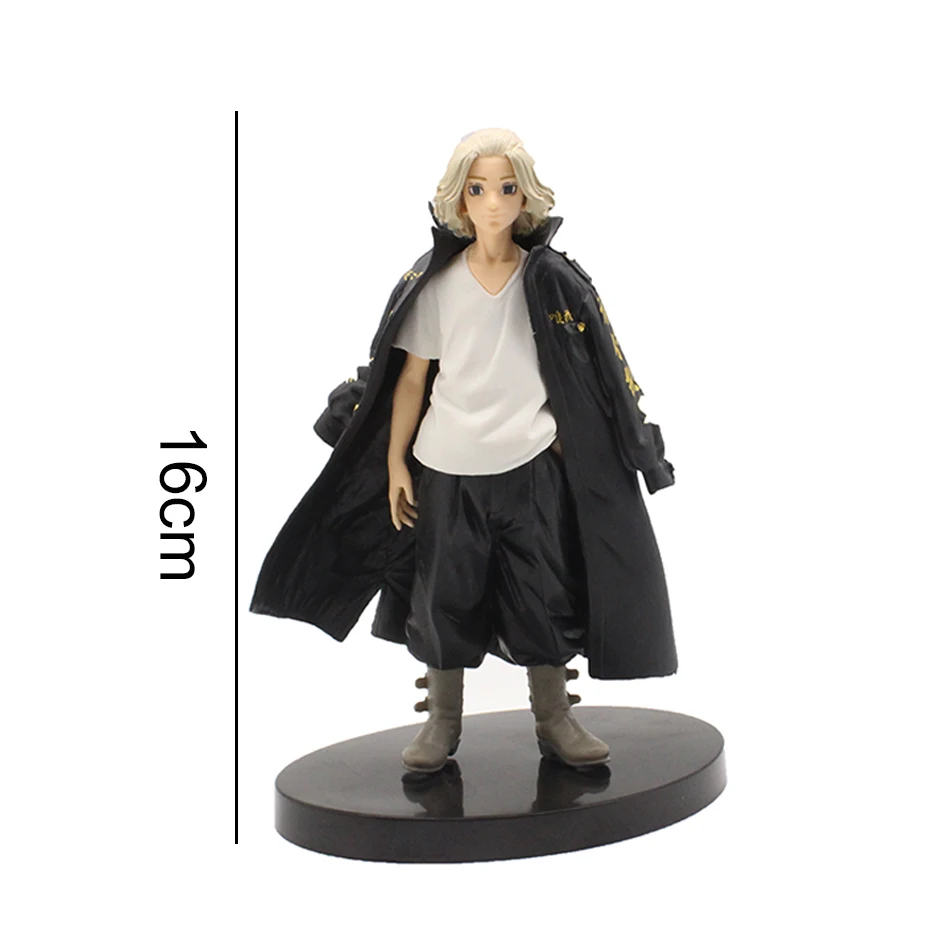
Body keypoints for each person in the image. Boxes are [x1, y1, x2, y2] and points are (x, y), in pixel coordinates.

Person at [249, 128, 677, 776]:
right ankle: (442, 720)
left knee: (543, 591)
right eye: (478, 189)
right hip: (447, 468)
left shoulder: (549, 279)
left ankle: (554, 716)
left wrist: (584, 444)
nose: (493, 203)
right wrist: (395, 461)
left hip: (531, 465)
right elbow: (410, 379)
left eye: (506, 188)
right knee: (442, 594)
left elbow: (588, 368)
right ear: (459, 198)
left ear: (526, 195)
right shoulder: (438, 284)